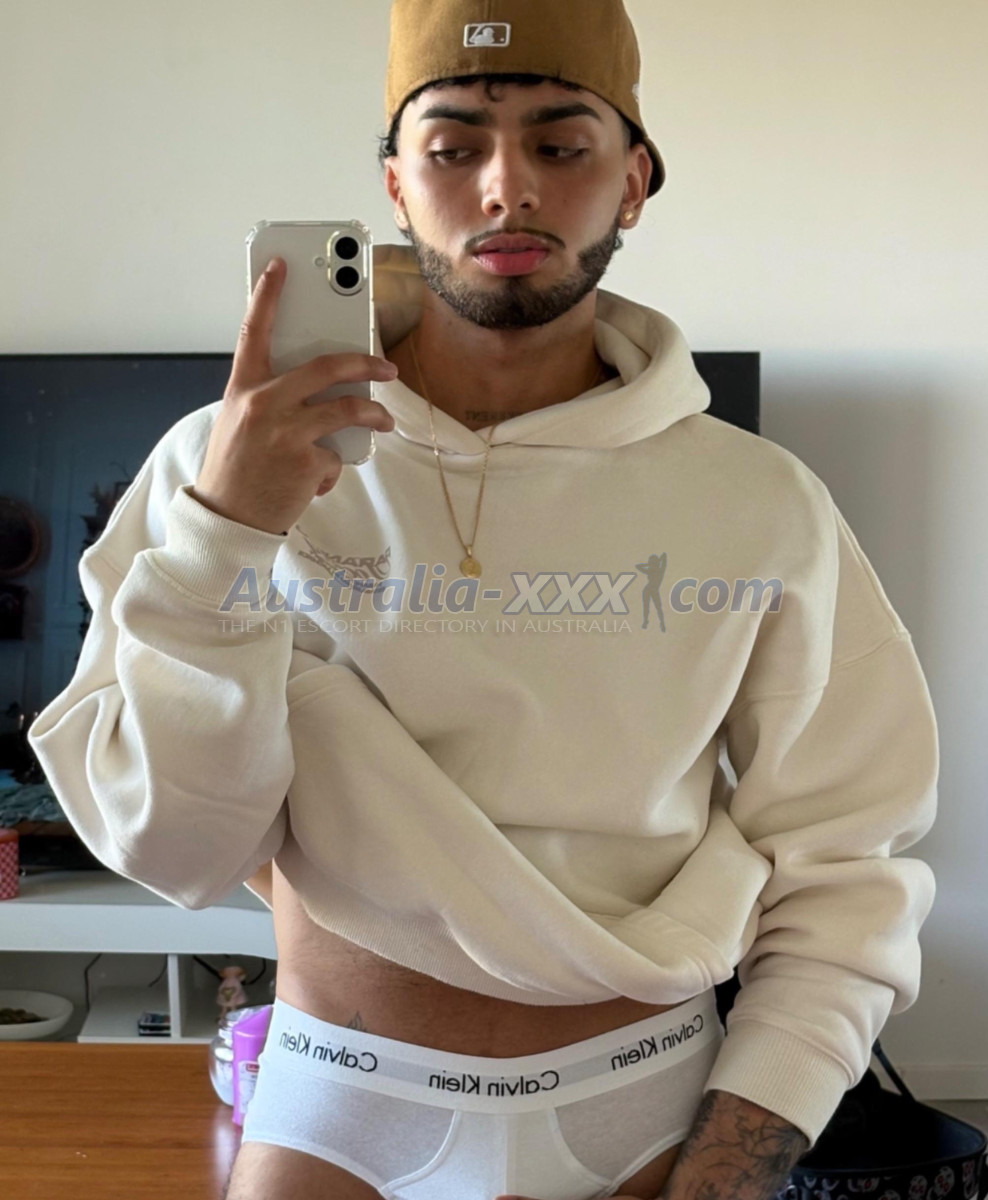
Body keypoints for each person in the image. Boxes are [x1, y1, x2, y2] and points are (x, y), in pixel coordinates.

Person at [27, 2, 940, 1199]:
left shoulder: (761, 502)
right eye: (454, 148)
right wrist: (227, 532)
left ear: (633, 181)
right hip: (340, 1107)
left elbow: (844, 861)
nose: (506, 187)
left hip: (641, 1105)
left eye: (560, 145)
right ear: (395, 188)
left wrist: (729, 1170)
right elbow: (177, 852)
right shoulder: (220, 465)